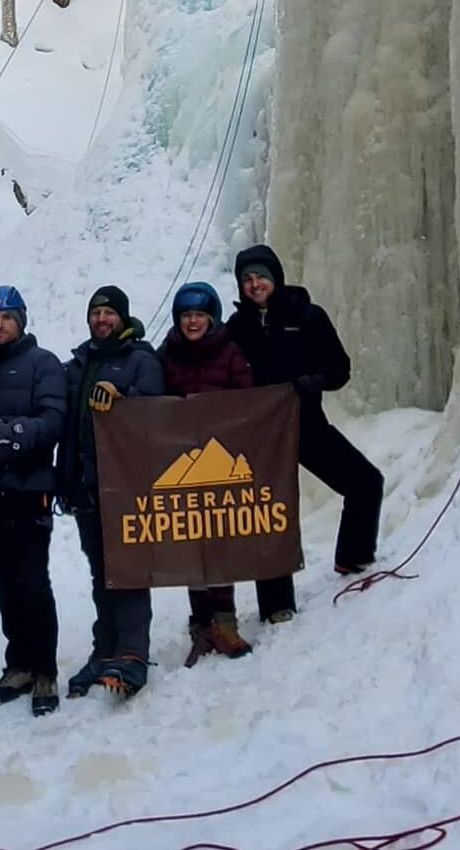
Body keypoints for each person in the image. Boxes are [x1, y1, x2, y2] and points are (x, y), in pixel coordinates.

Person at [227, 244, 383, 618]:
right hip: (260, 436)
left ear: (275, 278)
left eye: (261, 276)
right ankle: (276, 605)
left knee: (365, 482)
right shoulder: (236, 329)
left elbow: (340, 368)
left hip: (305, 424)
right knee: (268, 514)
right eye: (247, 279)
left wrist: (315, 381)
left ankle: (354, 560)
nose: (254, 284)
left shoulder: (308, 316)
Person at [60, 286, 164, 700]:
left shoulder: (141, 359)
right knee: (101, 571)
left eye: (108, 312)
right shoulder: (80, 363)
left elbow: (158, 406)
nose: (101, 319)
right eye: (95, 313)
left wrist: (125, 399)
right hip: (87, 482)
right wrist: (64, 479)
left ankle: (134, 653)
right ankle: (105, 650)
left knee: (129, 567)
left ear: (122, 317)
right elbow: (68, 427)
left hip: (127, 482)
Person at [0, 285, 66, 717]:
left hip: (31, 490)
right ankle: (20, 664)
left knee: (32, 582)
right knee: (5, 583)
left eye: (7, 317)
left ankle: (44, 669)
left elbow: (52, 421)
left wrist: (14, 433)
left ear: (21, 320)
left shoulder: (43, 364)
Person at [159, 281, 265, 663]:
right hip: (184, 461)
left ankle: (226, 621)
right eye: (186, 315)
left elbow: (248, 398)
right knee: (192, 544)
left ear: (211, 318)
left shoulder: (231, 352)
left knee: (219, 543)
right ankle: (201, 625)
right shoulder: (167, 354)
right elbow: (154, 402)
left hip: (221, 462)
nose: (192, 322)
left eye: (199, 315)